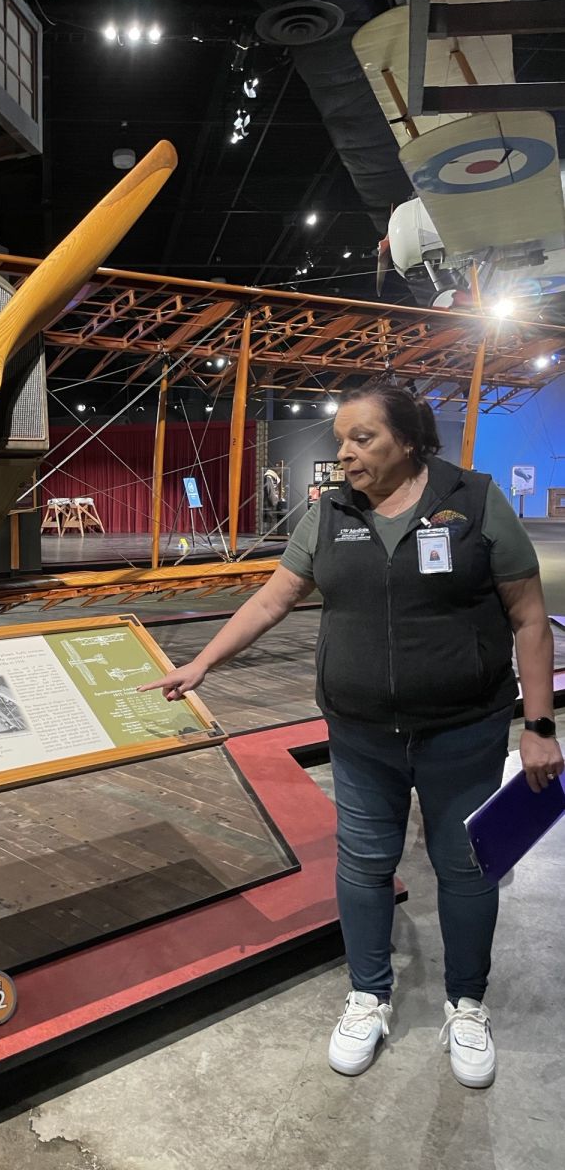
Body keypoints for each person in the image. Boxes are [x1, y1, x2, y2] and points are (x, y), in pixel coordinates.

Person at [141, 381, 562, 1088]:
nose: (345, 454)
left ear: (408, 440)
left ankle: (467, 1003)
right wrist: (204, 660)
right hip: (362, 734)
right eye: (341, 440)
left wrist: (541, 726)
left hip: (465, 731)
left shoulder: (477, 501)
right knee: (365, 864)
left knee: (465, 867)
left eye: (362, 439)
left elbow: (527, 618)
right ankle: (368, 994)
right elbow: (274, 597)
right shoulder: (330, 512)